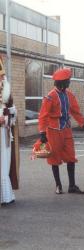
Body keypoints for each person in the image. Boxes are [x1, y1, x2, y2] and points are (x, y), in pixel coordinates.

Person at [38, 67, 84, 194]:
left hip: (66, 129)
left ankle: (72, 186)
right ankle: (58, 185)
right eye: (68, 80)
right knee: (54, 157)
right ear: (62, 82)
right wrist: (42, 133)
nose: (69, 82)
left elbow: (75, 111)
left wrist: (83, 124)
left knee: (71, 156)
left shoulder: (69, 95)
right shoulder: (50, 97)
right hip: (53, 130)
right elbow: (43, 115)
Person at [0, 55, 19, 205]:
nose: (2, 78)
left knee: (5, 163)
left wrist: (11, 113)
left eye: (3, 76)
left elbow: (13, 114)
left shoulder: (7, 93)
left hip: (4, 133)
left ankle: (6, 195)